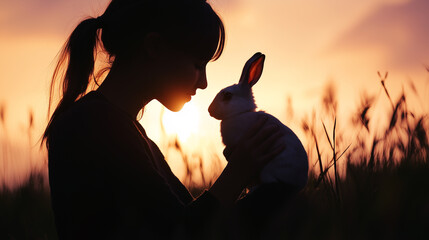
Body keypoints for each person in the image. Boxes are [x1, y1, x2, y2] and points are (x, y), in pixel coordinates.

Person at [43, 0, 286, 239]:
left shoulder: (127, 132)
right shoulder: (93, 124)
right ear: (155, 47)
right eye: (197, 65)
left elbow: (193, 222)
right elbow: (181, 230)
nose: (203, 83)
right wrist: (237, 173)